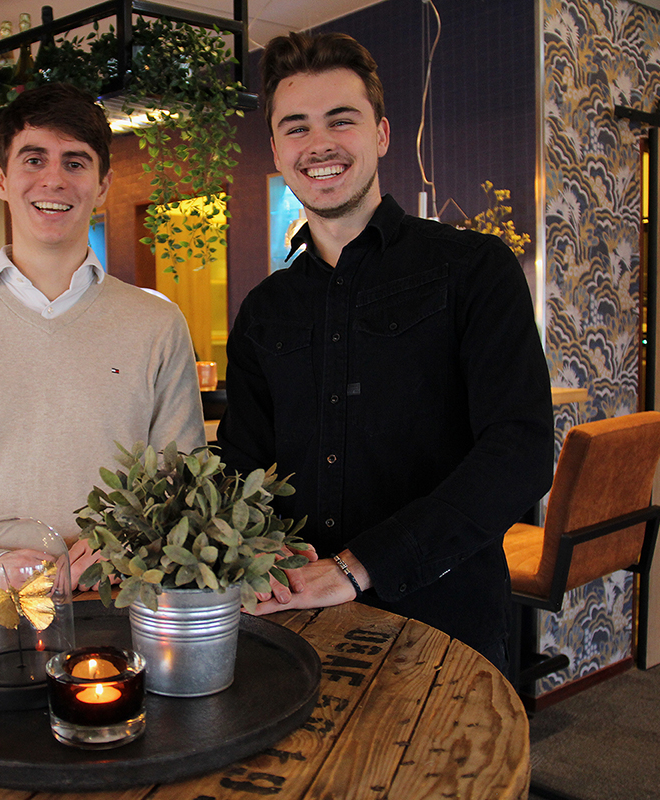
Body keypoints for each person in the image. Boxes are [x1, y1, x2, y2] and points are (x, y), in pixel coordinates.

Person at [217, 32, 553, 670]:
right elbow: (243, 466)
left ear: (382, 134)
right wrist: (259, 551)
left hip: (444, 618)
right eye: (297, 127)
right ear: (278, 151)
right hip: (296, 618)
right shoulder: (265, 310)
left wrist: (361, 566)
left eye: (341, 120)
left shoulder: (473, 269)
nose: (318, 144)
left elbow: (521, 451)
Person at [0, 83, 205, 598]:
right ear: (1, 178)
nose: (54, 179)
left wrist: (122, 544)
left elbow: (181, 477)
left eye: (75, 162)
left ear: (103, 184)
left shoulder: (157, 322)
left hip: (113, 597)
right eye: (33, 159)